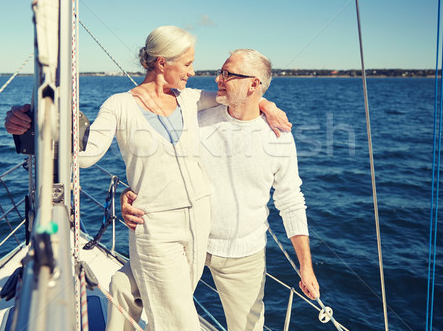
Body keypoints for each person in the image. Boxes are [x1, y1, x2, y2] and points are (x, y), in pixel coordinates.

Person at [4, 27, 290, 330]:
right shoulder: (119, 105)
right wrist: (29, 126)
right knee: (179, 322)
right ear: (163, 62)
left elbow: (237, 97)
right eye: (188, 63)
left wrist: (269, 106)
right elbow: (85, 157)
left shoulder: (190, 100)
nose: (193, 72)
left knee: (163, 310)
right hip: (154, 227)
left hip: (198, 225)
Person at [121, 49, 319, 331]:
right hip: (186, 242)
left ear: (254, 85)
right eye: (220, 72)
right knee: (135, 297)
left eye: (228, 74)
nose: (218, 79)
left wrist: (305, 266)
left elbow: (291, 201)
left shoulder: (278, 138)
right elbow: (154, 161)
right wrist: (129, 193)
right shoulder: (196, 121)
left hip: (244, 255)